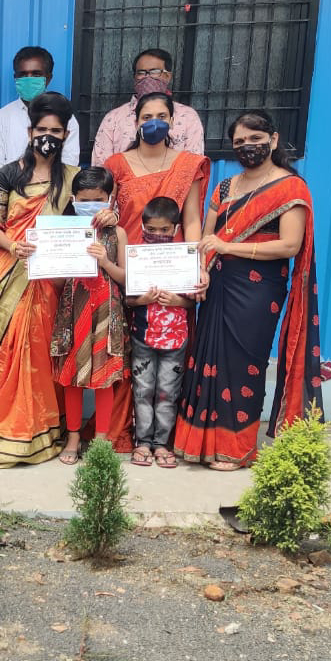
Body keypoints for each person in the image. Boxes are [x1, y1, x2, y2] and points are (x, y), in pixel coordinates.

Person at [175, 110, 322, 469]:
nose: (247, 147)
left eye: (256, 139)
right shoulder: (225, 188)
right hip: (218, 284)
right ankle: (201, 444)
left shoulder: (290, 187)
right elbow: (207, 240)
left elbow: (290, 245)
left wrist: (229, 247)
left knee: (243, 365)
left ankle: (235, 448)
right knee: (207, 359)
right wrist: (201, 271)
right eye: (240, 142)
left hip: (258, 290)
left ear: (273, 140)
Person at [0, 93, 81, 468]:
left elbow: (81, 225)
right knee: (8, 347)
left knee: (43, 349)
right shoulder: (8, 175)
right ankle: (4, 430)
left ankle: (43, 432)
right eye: (41, 129)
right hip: (10, 271)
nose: (48, 136)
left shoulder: (74, 179)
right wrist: (14, 246)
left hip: (51, 277)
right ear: (29, 131)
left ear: (66, 135)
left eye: (56, 130)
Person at [102, 91, 210, 451]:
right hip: (128, 271)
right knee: (131, 355)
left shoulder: (188, 164)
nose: (154, 123)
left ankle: (162, 439)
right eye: (147, 116)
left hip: (172, 272)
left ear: (173, 121)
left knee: (168, 368)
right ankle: (127, 432)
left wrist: (197, 268)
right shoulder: (116, 164)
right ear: (135, 122)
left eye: (162, 116)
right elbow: (108, 213)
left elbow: (191, 220)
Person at [51, 167, 128, 465]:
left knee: (104, 378)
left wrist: (104, 262)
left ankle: (100, 440)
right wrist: (43, 265)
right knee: (72, 377)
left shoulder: (117, 233)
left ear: (109, 199)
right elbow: (58, 280)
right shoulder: (63, 231)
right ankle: (72, 437)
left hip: (106, 313)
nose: (92, 205)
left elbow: (125, 277)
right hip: (73, 312)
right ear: (73, 199)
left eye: (98, 199)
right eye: (85, 200)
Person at [125, 196, 195, 469]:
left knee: (167, 392)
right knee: (143, 391)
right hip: (143, 336)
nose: (157, 234)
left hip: (175, 338)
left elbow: (192, 301)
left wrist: (179, 301)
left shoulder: (183, 257)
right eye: (151, 229)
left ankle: (162, 444)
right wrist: (140, 300)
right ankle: (142, 442)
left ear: (176, 229)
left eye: (164, 229)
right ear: (143, 227)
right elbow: (128, 299)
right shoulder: (137, 255)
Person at [92, 48, 206, 166]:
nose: (147, 77)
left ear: (168, 76)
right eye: (141, 72)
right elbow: (100, 167)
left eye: (154, 71)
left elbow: (194, 166)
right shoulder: (114, 118)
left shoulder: (188, 117)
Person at [0, 47, 80, 175]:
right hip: (11, 186)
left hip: (54, 186)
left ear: (48, 78)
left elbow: (69, 162)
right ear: (16, 78)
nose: (29, 79)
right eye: (23, 75)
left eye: (36, 74)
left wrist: (44, 184)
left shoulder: (66, 117)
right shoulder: (0, 118)